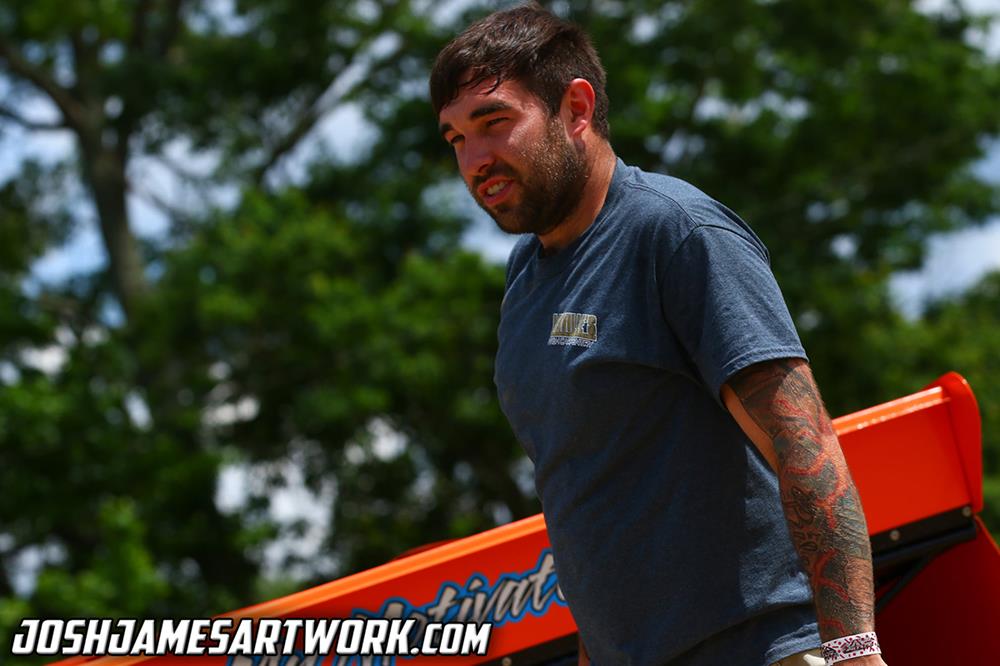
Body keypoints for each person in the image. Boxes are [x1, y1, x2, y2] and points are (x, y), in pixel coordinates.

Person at [429, 4, 887, 666]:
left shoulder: (676, 233)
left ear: (576, 109)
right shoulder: (525, 280)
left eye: (494, 123)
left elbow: (804, 449)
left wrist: (854, 651)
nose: (475, 160)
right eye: (455, 139)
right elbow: (588, 509)